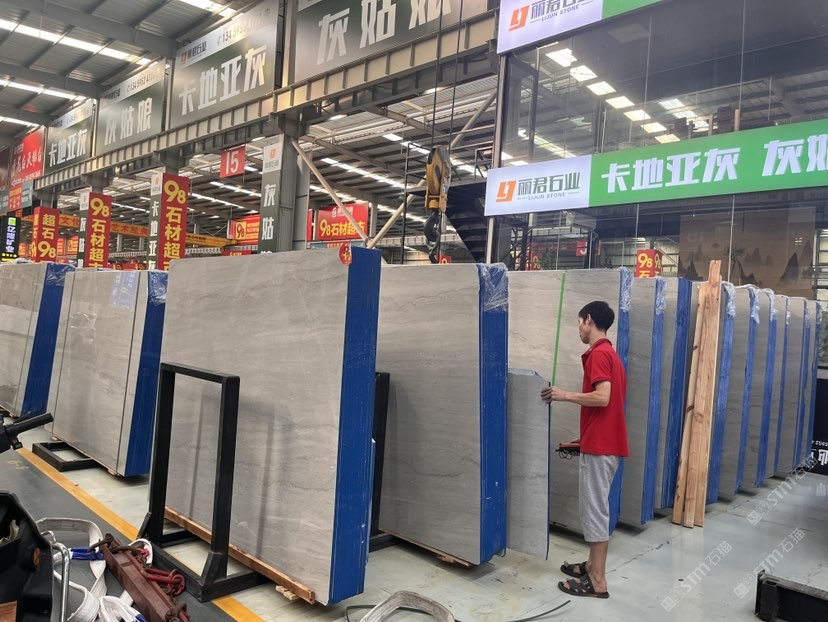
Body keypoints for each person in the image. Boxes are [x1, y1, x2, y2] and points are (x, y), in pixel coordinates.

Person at [541, 300, 629, 599]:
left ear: (588, 320)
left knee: (595, 511)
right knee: (595, 507)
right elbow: (608, 408)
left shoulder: (599, 354)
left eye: (579, 322)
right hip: (603, 442)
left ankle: (598, 581)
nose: (578, 329)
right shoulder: (610, 355)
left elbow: (603, 398)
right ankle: (591, 565)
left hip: (602, 448)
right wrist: (585, 438)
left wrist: (563, 395)